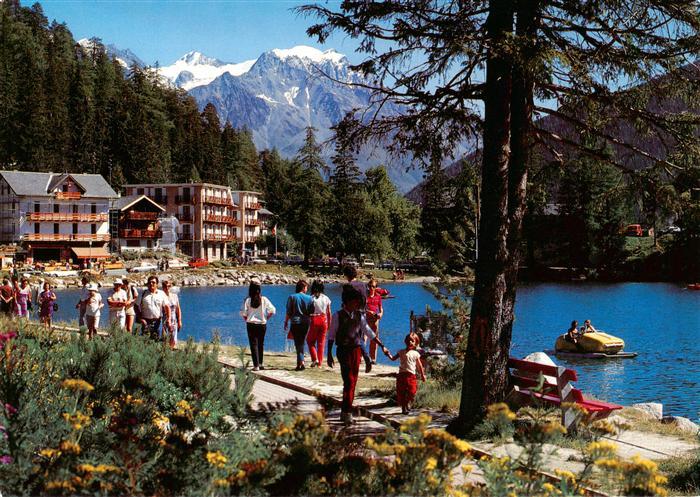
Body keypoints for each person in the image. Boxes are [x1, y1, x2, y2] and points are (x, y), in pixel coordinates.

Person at [327, 285, 389, 425]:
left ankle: (345, 410)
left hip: (356, 351)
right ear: (348, 301)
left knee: (353, 381)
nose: (357, 304)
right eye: (354, 301)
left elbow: (369, 333)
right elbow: (331, 336)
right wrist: (329, 355)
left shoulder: (359, 316)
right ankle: (347, 411)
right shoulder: (338, 315)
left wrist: (381, 346)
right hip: (343, 351)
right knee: (348, 380)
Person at [385, 332, 426, 414]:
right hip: (402, 375)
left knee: (412, 391)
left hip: (411, 376)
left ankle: (407, 404)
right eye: (408, 340)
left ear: (416, 343)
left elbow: (420, 366)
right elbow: (393, 358)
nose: (410, 342)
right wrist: (388, 354)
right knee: (402, 392)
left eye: (412, 341)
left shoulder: (416, 353)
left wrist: (422, 375)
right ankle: (404, 408)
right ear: (405, 341)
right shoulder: (401, 351)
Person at [240, 281, 276, 371]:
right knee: (261, 344)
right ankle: (260, 363)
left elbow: (244, 313)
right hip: (262, 324)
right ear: (259, 289)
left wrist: (247, 320)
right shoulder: (264, 299)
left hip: (251, 324)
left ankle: (256, 366)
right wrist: (266, 317)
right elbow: (273, 310)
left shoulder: (248, 300)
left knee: (253, 344)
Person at [284, 280, 314, 371]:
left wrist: (286, 322)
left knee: (298, 342)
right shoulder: (310, 298)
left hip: (295, 322)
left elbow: (289, 312)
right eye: (306, 287)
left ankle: (301, 362)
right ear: (303, 288)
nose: (307, 289)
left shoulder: (292, 297)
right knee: (301, 342)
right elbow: (311, 311)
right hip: (306, 322)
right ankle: (300, 363)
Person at [136, 275, 171, 341]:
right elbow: (136, 306)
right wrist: (140, 318)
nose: (151, 284)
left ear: (157, 284)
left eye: (153, 282)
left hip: (158, 321)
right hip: (146, 322)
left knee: (157, 340)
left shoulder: (161, 294)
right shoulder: (143, 293)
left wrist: (168, 319)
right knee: (145, 341)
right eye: (149, 282)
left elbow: (167, 307)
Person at [307, 280, 332, 368]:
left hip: (314, 319)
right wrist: (329, 324)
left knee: (310, 340)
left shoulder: (311, 298)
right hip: (324, 319)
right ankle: (320, 363)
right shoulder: (326, 298)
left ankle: (315, 358)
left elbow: (308, 311)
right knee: (321, 343)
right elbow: (329, 312)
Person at [366, 278, 384, 364]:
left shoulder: (378, 297)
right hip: (366, 319)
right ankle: (361, 357)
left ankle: (373, 359)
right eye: (369, 286)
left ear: (376, 287)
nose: (371, 288)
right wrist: (369, 312)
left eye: (373, 286)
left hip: (375, 319)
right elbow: (361, 308)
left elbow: (381, 309)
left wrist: (380, 314)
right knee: (363, 338)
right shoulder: (365, 296)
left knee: (374, 339)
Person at [162, 279, 182, 350]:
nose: (167, 288)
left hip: (173, 320)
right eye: (165, 286)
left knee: (173, 338)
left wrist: (179, 320)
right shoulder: (161, 296)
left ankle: (171, 350)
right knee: (164, 339)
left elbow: (178, 308)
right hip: (164, 320)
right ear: (162, 287)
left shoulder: (174, 296)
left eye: (169, 286)